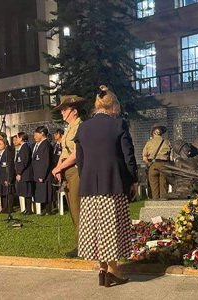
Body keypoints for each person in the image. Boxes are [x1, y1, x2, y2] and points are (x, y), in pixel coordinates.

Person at [75, 85, 138, 287]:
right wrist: (133, 181)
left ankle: (102, 271)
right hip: (113, 185)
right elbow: (128, 156)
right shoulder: (118, 125)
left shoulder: (83, 128)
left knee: (96, 230)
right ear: (113, 106)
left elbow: (80, 160)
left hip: (89, 188)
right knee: (113, 228)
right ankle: (112, 270)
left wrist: (85, 179)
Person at [51, 95, 86, 258]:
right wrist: (58, 168)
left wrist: (60, 167)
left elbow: (76, 153)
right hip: (67, 171)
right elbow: (64, 151)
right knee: (73, 210)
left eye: (64, 109)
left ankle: (83, 246)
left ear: (74, 111)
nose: (62, 112)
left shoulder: (80, 127)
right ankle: (81, 244)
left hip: (75, 171)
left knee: (78, 209)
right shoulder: (68, 129)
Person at [142, 124, 171, 200]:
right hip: (164, 165)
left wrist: (149, 164)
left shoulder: (149, 143)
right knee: (164, 185)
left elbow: (144, 158)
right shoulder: (167, 142)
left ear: (153, 133)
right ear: (161, 133)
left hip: (153, 165)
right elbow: (171, 158)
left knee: (154, 187)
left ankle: (155, 202)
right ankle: (164, 202)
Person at [32, 126, 53, 215]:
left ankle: (48, 210)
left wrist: (42, 175)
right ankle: (44, 209)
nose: (34, 136)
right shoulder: (39, 145)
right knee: (42, 192)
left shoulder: (46, 145)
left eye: (36, 134)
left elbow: (46, 162)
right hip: (38, 172)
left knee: (46, 191)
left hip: (45, 174)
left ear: (42, 134)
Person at [14, 132, 34, 215]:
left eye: (17, 138)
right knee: (24, 192)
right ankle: (26, 209)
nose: (16, 140)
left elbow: (24, 161)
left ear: (21, 138)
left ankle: (29, 209)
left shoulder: (25, 147)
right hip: (23, 173)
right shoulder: (22, 147)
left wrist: (19, 173)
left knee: (27, 192)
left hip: (25, 174)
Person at [0, 139, 15, 213]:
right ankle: (4, 207)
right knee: (2, 192)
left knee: (8, 192)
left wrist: (9, 178)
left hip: (6, 176)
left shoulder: (7, 154)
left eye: (0, 144)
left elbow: (10, 167)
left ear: (5, 145)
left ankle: (9, 208)